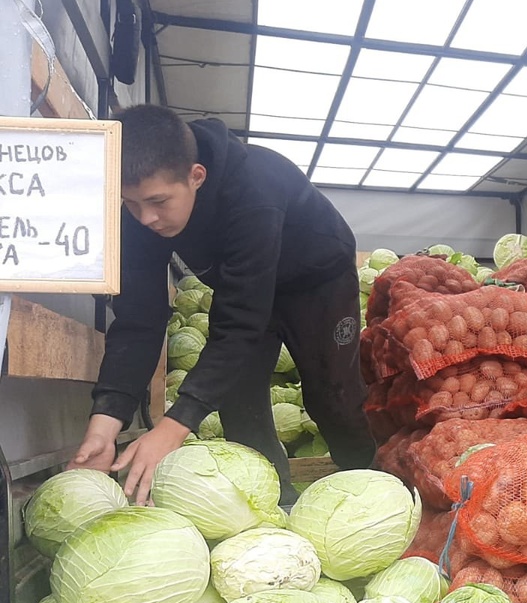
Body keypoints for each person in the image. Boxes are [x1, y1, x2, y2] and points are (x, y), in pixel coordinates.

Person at [69, 104, 376, 504]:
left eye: (159, 201)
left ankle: (366, 479)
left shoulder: (253, 189)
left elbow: (240, 325)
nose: (146, 218)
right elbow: (139, 319)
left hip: (316, 280)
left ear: (197, 176)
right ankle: (276, 504)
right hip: (241, 283)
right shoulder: (141, 211)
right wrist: (105, 420)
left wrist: (174, 425)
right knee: (238, 399)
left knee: (333, 395)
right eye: (131, 203)